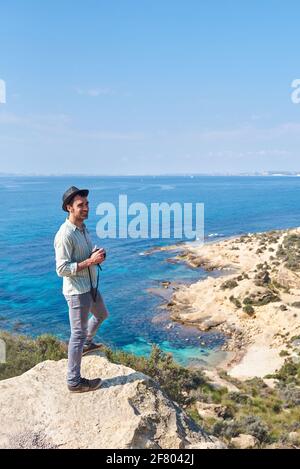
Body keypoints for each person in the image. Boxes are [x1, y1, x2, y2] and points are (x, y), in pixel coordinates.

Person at [54, 186, 109, 393]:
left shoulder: (83, 228)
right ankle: (74, 381)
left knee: (102, 314)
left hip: (91, 286)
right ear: (69, 208)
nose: (86, 208)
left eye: (86, 204)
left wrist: (96, 254)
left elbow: (85, 256)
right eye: (80, 205)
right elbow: (61, 269)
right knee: (76, 334)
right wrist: (89, 261)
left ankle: (88, 343)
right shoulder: (64, 235)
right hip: (77, 291)